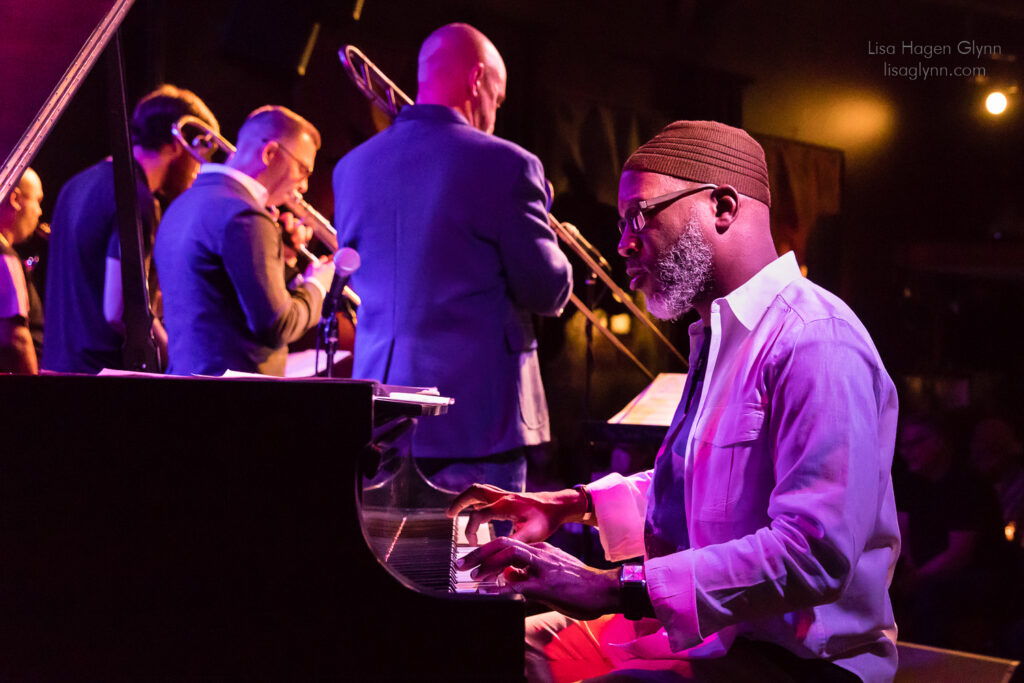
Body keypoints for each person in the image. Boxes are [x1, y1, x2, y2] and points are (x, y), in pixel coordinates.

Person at [450, 121, 901, 681]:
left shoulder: (816, 340)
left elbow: (814, 553)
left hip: (798, 664)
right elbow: (703, 489)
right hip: (712, 641)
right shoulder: (720, 334)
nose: (623, 244)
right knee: (501, 646)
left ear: (722, 207)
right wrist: (570, 505)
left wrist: (612, 588)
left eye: (639, 216)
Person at [332, 23, 572, 493]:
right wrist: (542, 220)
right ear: (477, 78)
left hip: (381, 417)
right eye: (497, 99)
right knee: (481, 545)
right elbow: (546, 290)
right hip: (479, 424)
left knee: (386, 542)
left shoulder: (350, 167)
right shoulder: (509, 164)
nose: (494, 114)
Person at [42, 85, 218, 373]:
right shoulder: (135, 197)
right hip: (101, 379)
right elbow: (121, 310)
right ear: (177, 144)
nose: (200, 168)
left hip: (57, 371)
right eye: (200, 154)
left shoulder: (75, 184)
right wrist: (180, 360)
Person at [155, 105, 334, 376]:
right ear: (270, 153)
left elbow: (220, 301)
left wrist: (283, 258)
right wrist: (318, 285)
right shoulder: (246, 216)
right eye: (303, 169)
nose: (304, 186)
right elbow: (279, 325)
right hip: (238, 395)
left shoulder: (183, 203)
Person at [894, 412, 1009, 651]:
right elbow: (901, 532)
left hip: (977, 574)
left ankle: (928, 663)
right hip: (926, 571)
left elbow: (959, 555)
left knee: (931, 596)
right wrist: (906, 568)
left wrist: (916, 577)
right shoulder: (911, 484)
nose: (906, 452)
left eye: (915, 443)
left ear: (939, 441)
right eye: (903, 445)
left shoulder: (968, 485)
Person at [0, 168, 45, 373]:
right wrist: (35, 388)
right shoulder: (5, 257)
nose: (40, 211)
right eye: (37, 200)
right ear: (15, 198)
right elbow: (17, 339)